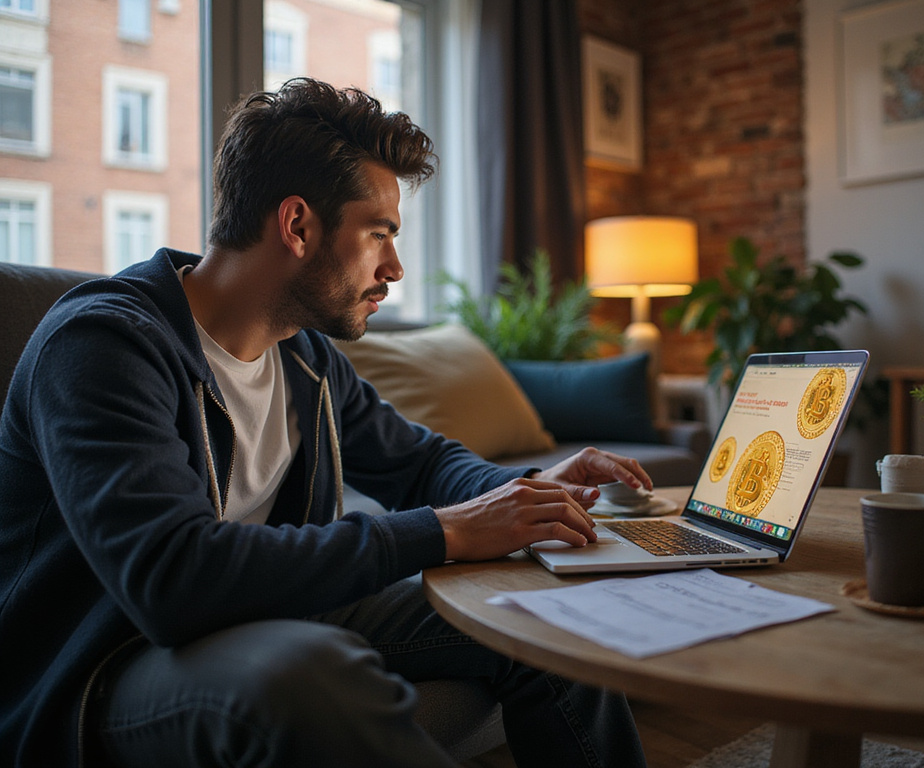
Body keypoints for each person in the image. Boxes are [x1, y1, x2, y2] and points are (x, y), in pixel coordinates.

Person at [0, 78, 651, 767]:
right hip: (105, 664)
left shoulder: (304, 355)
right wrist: (444, 532)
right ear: (298, 226)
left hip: (264, 608)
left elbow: (420, 464)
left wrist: (532, 492)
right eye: (379, 235)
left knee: (547, 615)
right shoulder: (105, 344)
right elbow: (172, 579)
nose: (394, 268)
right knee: (304, 677)